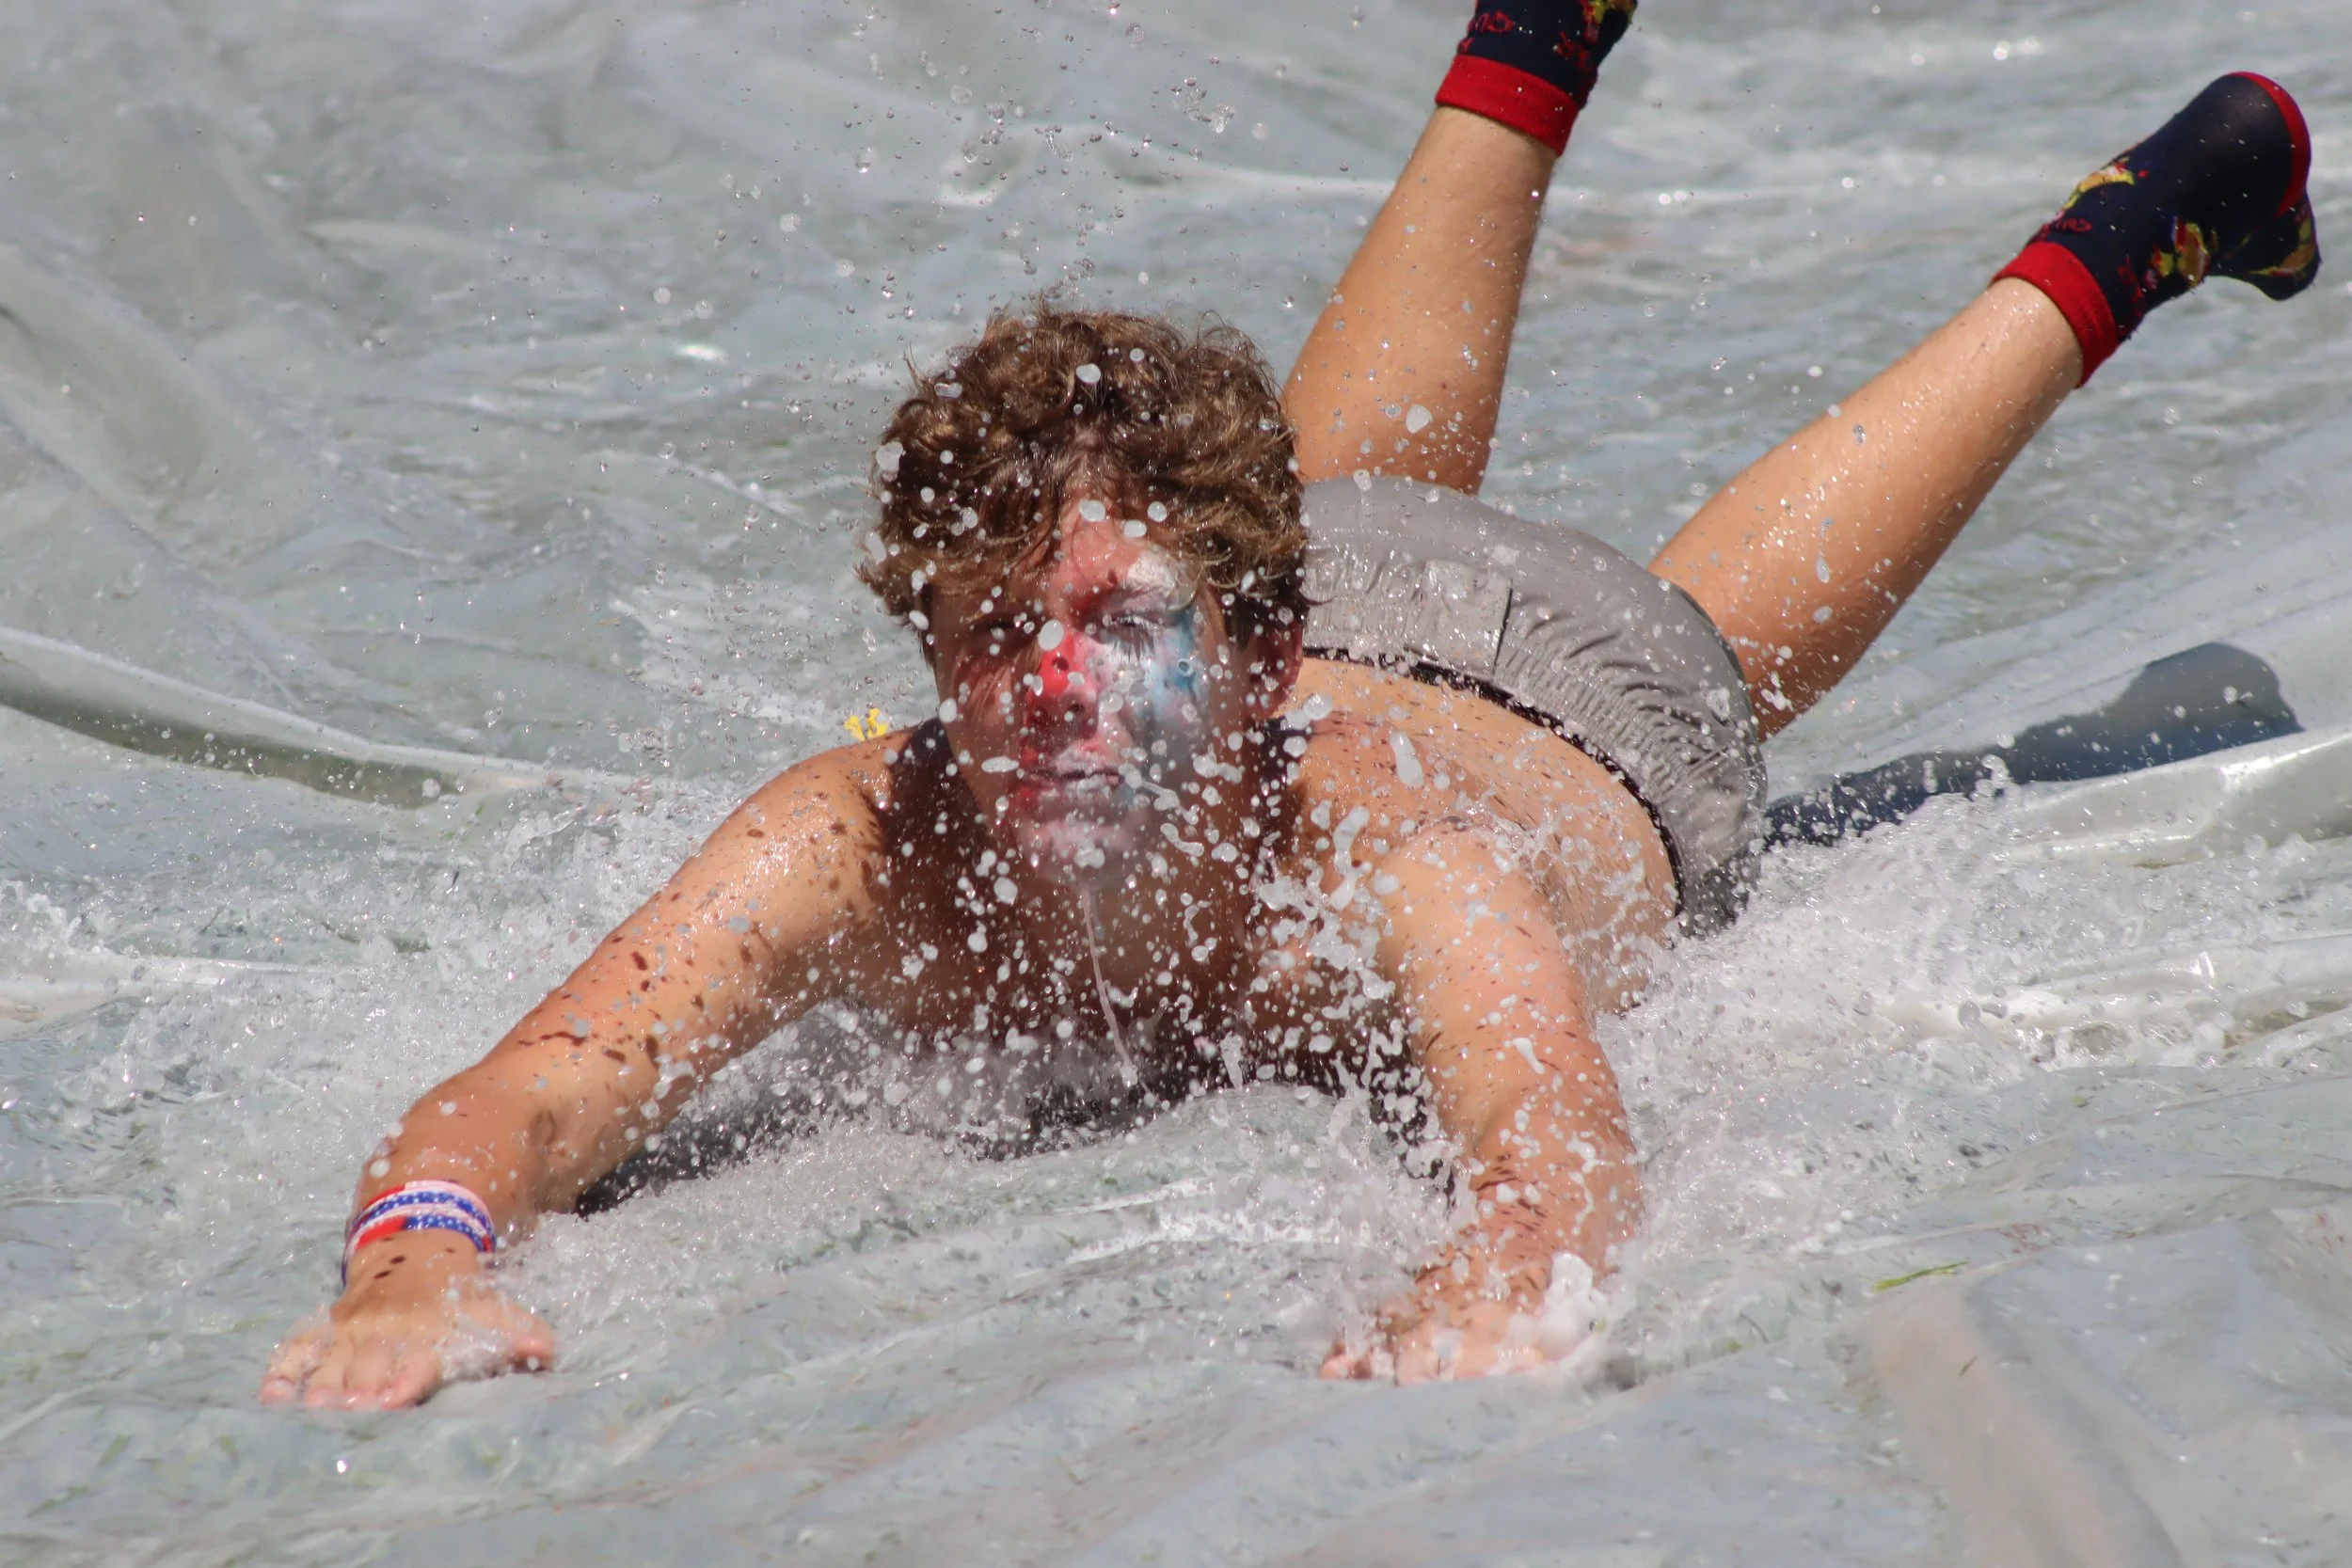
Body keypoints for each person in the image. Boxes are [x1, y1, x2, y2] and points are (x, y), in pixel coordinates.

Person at [262, 0, 2320, 1406]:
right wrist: (418, 1255)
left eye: (1099, 631)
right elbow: (522, 1090)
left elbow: (1547, 1115)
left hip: (1574, 696)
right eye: (988, 633)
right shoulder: (864, 828)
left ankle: (2146, 225)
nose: (1044, 692)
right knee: (1309, 492)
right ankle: (1525, 41)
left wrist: (1508, 1255)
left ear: (1253, 664)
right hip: (1303, 576)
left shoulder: (1383, 847)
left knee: (1710, 631)